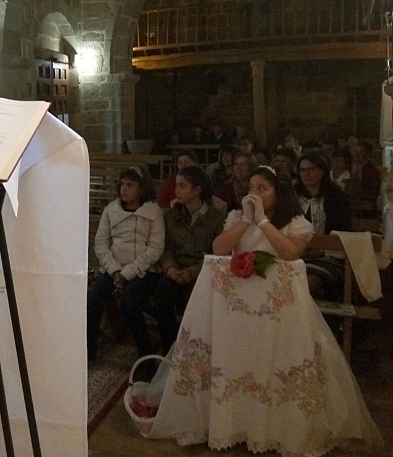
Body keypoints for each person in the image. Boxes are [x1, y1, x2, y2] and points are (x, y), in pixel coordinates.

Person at [133, 165, 382, 454]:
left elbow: (290, 253)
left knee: (275, 358)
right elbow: (219, 247)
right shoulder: (237, 217)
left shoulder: (296, 222)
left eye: (262, 189)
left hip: (278, 308)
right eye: (251, 189)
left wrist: (263, 222)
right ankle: (232, 420)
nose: (255, 193)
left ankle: (276, 426)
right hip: (238, 305)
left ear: (278, 192)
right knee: (237, 357)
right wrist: (246, 221)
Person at [87, 167, 165, 361]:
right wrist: (115, 272)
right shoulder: (111, 209)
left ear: (141, 188)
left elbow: (155, 249)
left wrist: (127, 274)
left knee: (130, 300)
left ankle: (145, 356)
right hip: (114, 269)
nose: (125, 189)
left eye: (130, 185)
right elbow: (101, 243)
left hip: (144, 271)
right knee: (94, 298)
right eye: (122, 184)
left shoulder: (153, 212)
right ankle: (88, 352)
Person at [154, 166, 225, 353]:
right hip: (176, 269)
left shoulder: (216, 219)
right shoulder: (171, 217)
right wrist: (170, 268)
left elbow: (217, 254)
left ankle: (195, 348)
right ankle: (169, 345)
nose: (176, 191)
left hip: (202, 271)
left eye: (182, 186)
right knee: (162, 295)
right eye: (176, 186)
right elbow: (165, 247)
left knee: (193, 300)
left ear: (197, 190)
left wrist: (192, 272)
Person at [294, 152, 352, 300]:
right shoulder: (294, 196)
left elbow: (344, 233)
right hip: (296, 254)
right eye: (302, 170)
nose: (306, 174)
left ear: (322, 171)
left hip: (330, 257)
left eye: (311, 169)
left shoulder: (336, 196)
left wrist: (319, 251)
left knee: (304, 284)